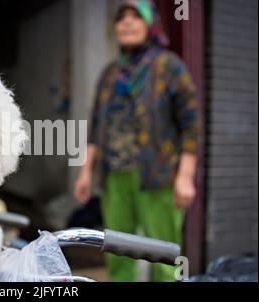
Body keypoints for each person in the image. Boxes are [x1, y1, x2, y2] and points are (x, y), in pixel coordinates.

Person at [74, 0, 199, 282]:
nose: (127, 23)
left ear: (150, 24)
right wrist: (85, 172)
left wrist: (186, 176)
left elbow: (190, 124)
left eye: (135, 17)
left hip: (158, 174)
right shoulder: (109, 74)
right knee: (118, 254)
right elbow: (96, 125)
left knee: (165, 254)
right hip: (114, 175)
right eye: (121, 18)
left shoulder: (170, 67)